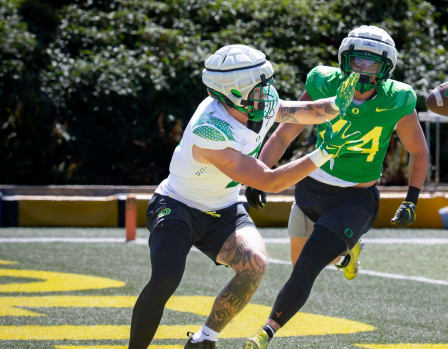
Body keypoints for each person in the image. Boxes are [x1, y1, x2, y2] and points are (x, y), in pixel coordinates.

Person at [128, 44, 363, 349]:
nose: (267, 93)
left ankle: (203, 340)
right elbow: (269, 180)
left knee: (255, 263)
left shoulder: (254, 102)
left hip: (223, 207)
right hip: (178, 206)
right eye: (259, 87)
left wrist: (337, 104)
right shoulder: (210, 130)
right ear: (233, 93)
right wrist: (325, 152)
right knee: (165, 278)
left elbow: (305, 112)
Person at [243, 25, 429, 348]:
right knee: (302, 258)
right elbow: (286, 132)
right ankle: (347, 254)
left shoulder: (398, 100)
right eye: (358, 61)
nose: (363, 70)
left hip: (355, 200)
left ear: (385, 69)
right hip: (310, 189)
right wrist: (261, 170)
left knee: (305, 268)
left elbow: (419, 150)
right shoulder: (322, 82)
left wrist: (412, 198)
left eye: (372, 64)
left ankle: (265, 332)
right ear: (345, 61)